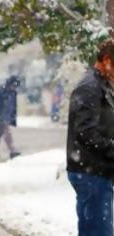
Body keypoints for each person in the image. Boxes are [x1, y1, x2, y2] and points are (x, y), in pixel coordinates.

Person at [67, 39, 114, 236]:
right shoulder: (89, 87)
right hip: (90, 172)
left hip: (97, 170)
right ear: (106, 60)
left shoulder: (101, 85)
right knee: (98, 232)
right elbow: (86, 132)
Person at [0, 75, 21, 159]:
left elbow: (13, 105)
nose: (14, 88)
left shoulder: (13, 92)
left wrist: (12, 116)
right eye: (13, 85)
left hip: (7, 115)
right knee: (7, 132)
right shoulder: (0, 91)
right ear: (9, 84)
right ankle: (13, 150)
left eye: (15, 86)